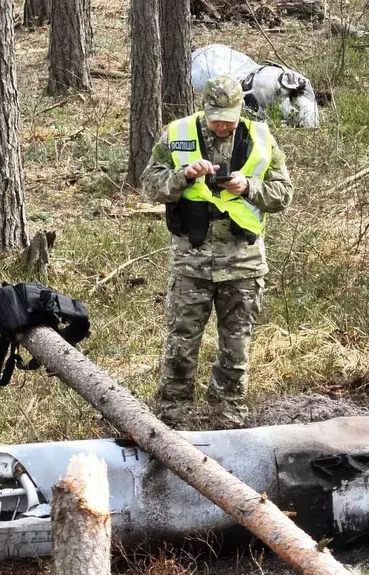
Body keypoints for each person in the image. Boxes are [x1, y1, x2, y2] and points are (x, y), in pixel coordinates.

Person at [141, 75, 294, 427]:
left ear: (241, 109)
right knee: (180, 344)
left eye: (229, 116)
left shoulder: (260, 137)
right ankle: (173, 415)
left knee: (236, 347)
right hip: (190, 261)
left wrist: (250, 186)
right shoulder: (177, 134)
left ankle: (228, 413)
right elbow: (150, 184)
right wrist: (182, 176)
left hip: (243, 261)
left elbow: (283, 193)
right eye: (216, 117)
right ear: (204, 109)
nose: (222, 124)